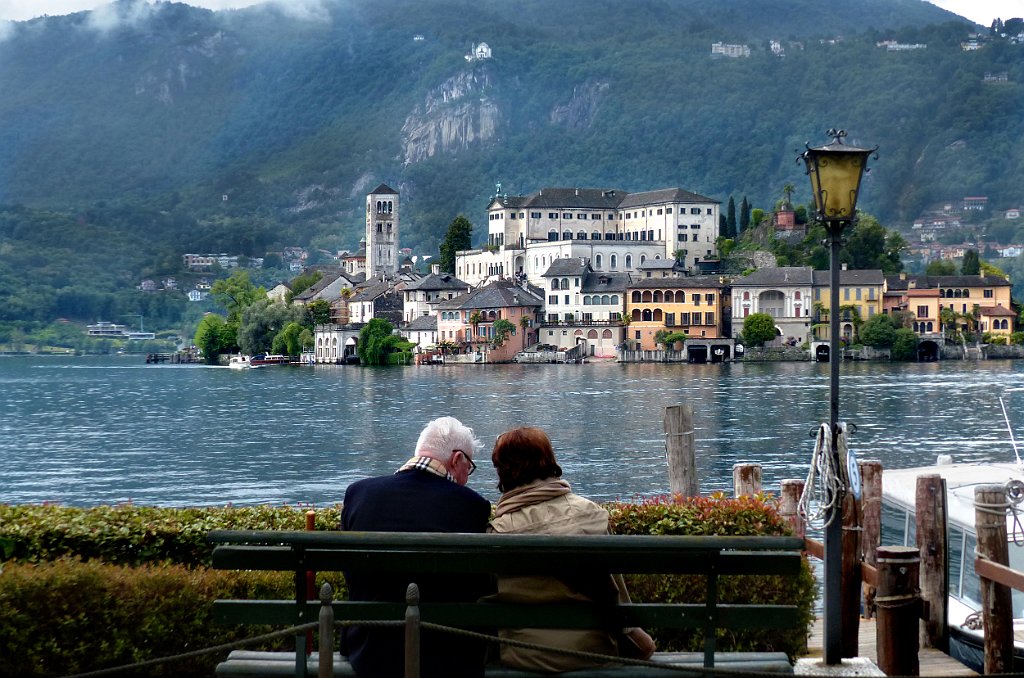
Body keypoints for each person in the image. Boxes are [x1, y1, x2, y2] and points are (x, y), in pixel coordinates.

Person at [488, 426, 656, 672]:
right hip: (592, 649)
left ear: (503, 472)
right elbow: (615, 592)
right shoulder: (591, 515)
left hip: (524, 653)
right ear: (549, 461)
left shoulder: (497, 532)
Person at [340, 416, 492, 678]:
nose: (467, 477)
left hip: (368, 650)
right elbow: (474, 582)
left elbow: (352, 574)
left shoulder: (359, 494)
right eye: (470, 467)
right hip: (447, 654)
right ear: (457, 460)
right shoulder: (470, 505)